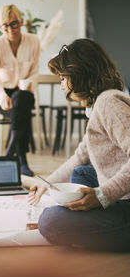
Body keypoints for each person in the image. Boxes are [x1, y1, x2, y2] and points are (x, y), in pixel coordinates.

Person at [29, 38, 130, 252]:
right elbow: (80, 156)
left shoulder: (108, 104)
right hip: (121, 189)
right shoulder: (98, 105)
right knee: (81, 173)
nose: (62, 83)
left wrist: (102, 196)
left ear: (81, 74)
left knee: (49, 222)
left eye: (65, 77)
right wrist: (47, 183)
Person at [0, 4, 40, 176]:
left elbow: (35, 72)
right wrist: (1, 96)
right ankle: (21, 160)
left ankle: (8, 155)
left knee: (21, 100)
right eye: (5, 26)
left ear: (21, 21)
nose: (10, 29)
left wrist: (27, 83)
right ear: (0, 27)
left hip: (23, 92)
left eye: (14, 24)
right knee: (20, 109)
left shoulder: (33, 42)